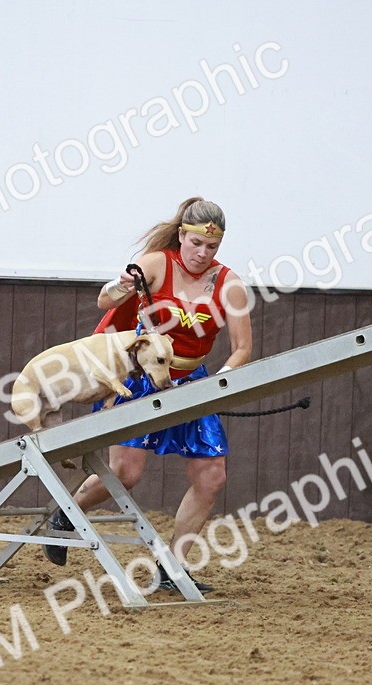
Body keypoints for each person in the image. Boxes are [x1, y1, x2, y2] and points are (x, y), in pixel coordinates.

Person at [43, 197, 253, 594]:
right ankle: (65, 516)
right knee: (126, 473)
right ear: (181, 236)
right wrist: (119, 285)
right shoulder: (156, 264)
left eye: (211, 247)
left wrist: (217, 384)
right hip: (141, 377)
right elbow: (106, 301)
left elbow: (242, 348)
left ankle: (171, 567)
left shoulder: (231, 285)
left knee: (212, 476)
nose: (202, 254)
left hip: (193, 384)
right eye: (195, 244)